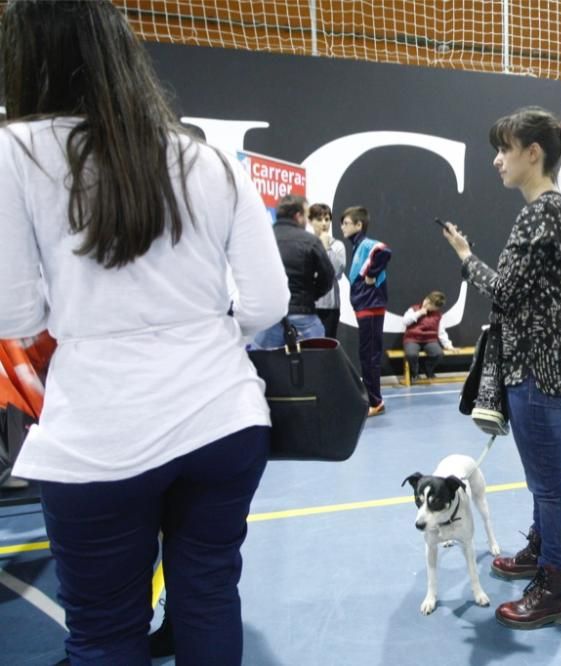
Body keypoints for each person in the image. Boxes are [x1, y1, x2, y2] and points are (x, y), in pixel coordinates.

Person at [0, 2, 290, 664]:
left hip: (101, 432)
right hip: (224, 418)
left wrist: (92, 314)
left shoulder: (15, 152)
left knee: (105, 630)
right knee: (209, 597)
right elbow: (268, 299)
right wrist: (201, 335)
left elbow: (14, 315)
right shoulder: (210, 161)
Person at [442, 106, 561, 630]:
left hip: (539, 368)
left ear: (533, 154)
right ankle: (541, 553)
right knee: (542, 480)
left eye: (504, 150)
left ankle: (555, 587)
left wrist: (464, 256)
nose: (496, 160)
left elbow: (504, 291)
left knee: (548, 484)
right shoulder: (548, 209)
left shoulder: (542, 211)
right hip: (539, 364)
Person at [253, 194, 335, 348]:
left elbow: (251, 275)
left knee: (265, 366)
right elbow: (328, 277)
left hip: (269, 316)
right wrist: (311, 294)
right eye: (306, 215)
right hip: (303, 315)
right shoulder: (310, 241)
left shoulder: (261, 238)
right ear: (298, 216)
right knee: (314, 365)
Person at [341, 206, 392, 417]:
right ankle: (373, 398)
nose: (342, 227)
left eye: (346, 223)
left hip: (370, 305)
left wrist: (371, 274)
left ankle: (376, 402)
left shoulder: (366, 244)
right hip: (366, 305)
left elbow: (384, 250)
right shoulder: (358, 246)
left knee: (369, 355)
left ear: (358, 225)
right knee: (367, 354)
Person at [308, 203, 347, 339]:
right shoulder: (306, 243)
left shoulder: (337, 246)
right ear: (310, 221)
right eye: (319, 219)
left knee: (327, 348)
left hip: (330, 306)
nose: (324, 223)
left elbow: (336, 272)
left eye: (327, 219)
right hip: (309, 305)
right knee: (308, 348)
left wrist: (325, 247)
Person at [402, 291, 455, 381]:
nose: (427, 304)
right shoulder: (413, 309)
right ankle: (415, 372)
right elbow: (405, 321)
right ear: (426, 299)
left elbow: (441, 332)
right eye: (427, 301)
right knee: (411, 354)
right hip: (412, 338)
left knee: (438, 354)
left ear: (436, 308)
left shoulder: (438, 315)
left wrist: (448, 345)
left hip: (430, 339)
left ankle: (427, 369)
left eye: (431, 305)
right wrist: (419, 313)